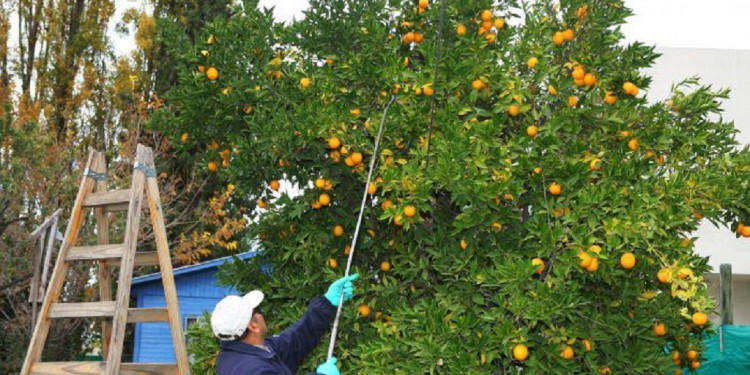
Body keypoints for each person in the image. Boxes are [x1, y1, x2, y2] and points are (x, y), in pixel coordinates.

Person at [211, 274, 359, 375]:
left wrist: (327, 302)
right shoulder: (254, 370)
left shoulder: (248, 351)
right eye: (258, 311)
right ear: (253, 326)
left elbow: (296, 340)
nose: (262, 315)